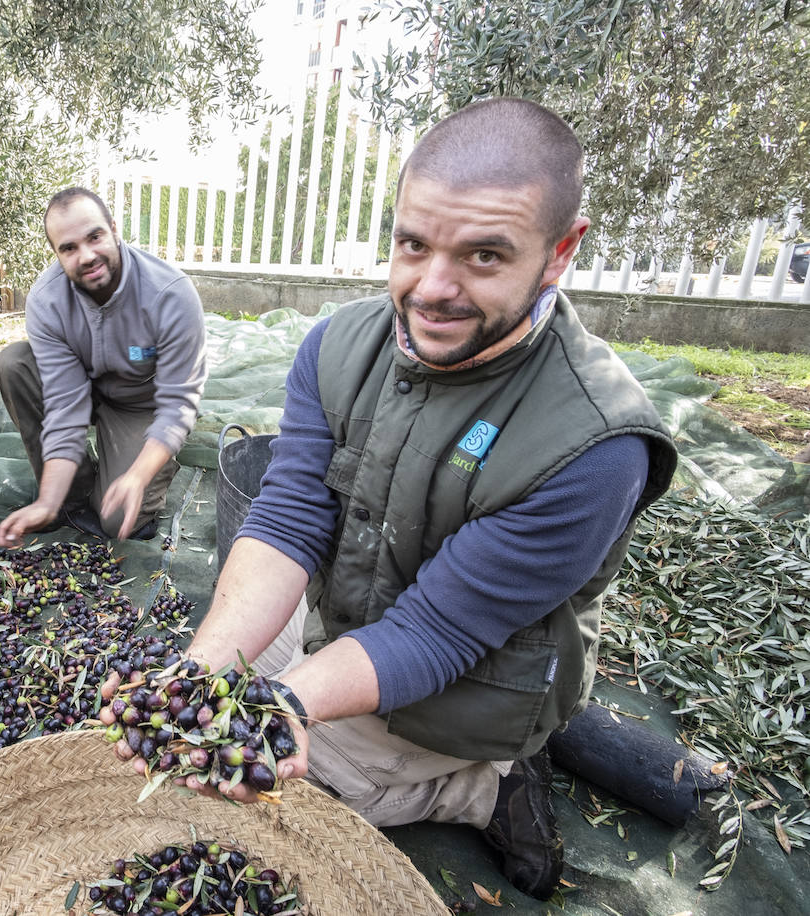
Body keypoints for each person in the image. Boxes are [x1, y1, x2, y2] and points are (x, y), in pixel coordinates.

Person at [106, 98, 677, 899]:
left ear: (560, 252)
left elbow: (438, 629)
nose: (431, 289)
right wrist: (201, 678)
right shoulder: (339, 345)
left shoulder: (594, 450)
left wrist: (281, 709)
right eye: (412, 244)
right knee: (214, 697)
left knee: (286, 796)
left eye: (484, 256)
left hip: (472, 664)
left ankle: (488, 783)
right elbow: (289, 515)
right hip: (354, 610)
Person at [0, 187, 207, 546]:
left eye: (95, 237)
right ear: (57, 254)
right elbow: (65, 404)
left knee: (118, 518)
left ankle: (150, 464)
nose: (87, 255)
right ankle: (70, 495)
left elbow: (178, 404)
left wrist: (137, 476)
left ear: (113, 229)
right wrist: (49, 501)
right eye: (69, 248)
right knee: (13, 363)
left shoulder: (169, 293)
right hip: (84, 390)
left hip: (141, 403)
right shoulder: (47, 301)